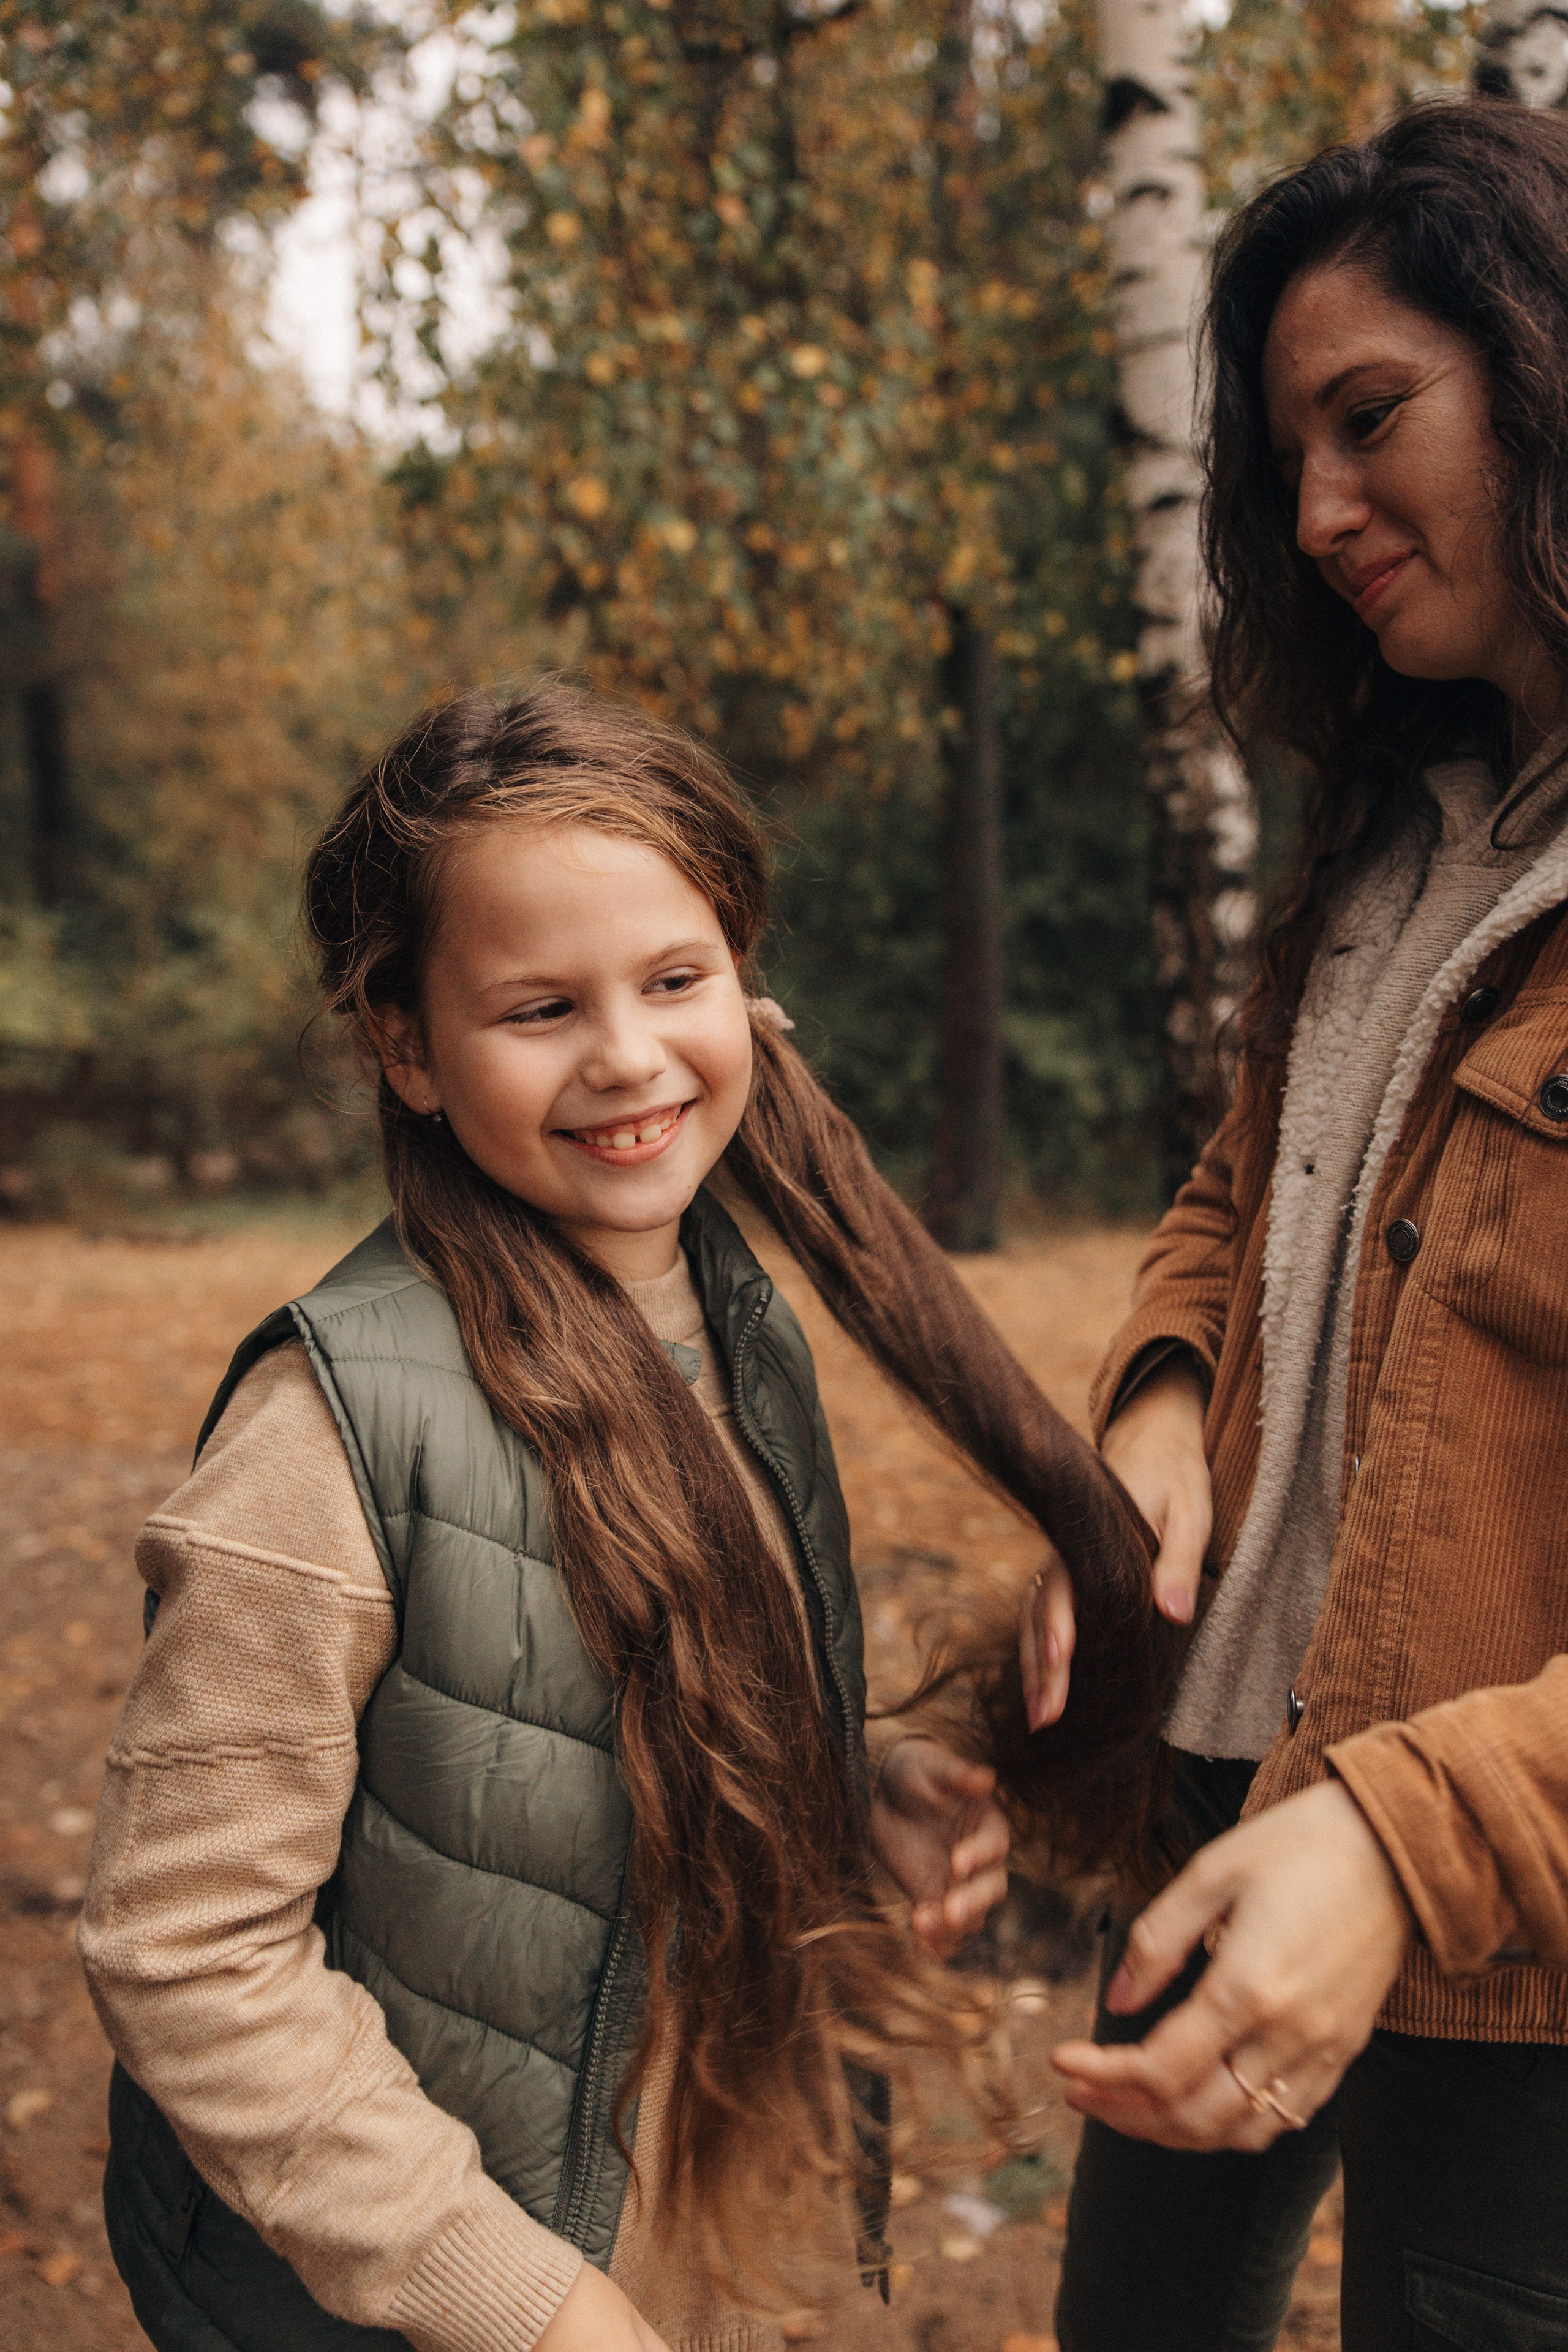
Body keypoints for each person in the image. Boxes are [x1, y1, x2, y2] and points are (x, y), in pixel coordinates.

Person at [80, 683, 1159, 2352]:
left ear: (746, 981)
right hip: (429, 2304)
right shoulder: (321, 1445)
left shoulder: (741, 1331)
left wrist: (842, 1802)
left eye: (675, 979)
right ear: (405, 1048)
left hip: (682, 2251)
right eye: (538, 1007)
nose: (630, 1054)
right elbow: (186, 1953)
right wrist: (524, 2305)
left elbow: (557, 1741)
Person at [1013, 97, 1568, 2352]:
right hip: (1229, 1791)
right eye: (1289, 459)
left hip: (1508, 1924)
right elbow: (1243, 1190)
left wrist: (1399, 1844)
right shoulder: (1397, 820)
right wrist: (1159, 1402)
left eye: (1372, 419)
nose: (1323, 511)